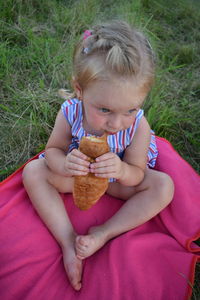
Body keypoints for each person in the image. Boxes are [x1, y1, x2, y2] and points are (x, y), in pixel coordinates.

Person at [22, 20, 174, 291]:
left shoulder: (138, 125)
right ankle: (69, 241)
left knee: (163, 186)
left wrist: (121, 170)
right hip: (79, 177)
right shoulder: (70, 113)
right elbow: (53, 150)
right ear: (79, 90)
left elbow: (137, 172)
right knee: (33, 171)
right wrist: (65, 163)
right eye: (104, 110)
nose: (116, 124)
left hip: (118, 184)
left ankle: (104, 233)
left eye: (129, 110)